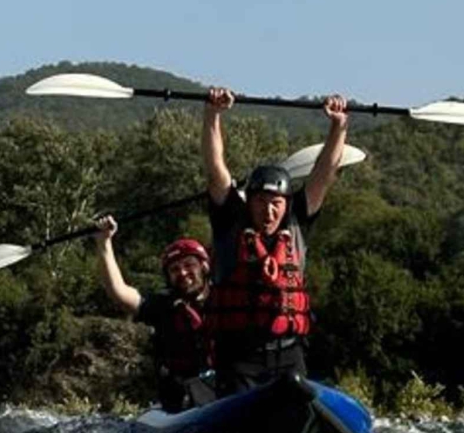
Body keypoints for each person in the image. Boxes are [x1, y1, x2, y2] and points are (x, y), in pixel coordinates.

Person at [201, 85, 348, 395]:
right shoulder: (231, 221)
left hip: (289, 353)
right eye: (261, 202)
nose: (268, 211)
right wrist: (213, 115)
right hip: (239, 356)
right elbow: (216, 170)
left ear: (286, 204)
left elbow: (324, 173)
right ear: (248, 200)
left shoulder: (297, 221)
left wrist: (338, 126)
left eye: (276, 203)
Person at [92, 215, 215, 413]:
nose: (182, 273)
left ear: (204, 266)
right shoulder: (163, 306)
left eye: (189, 265)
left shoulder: (228, 296)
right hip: (183, 398)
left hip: (225, 384)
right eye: (175, 269)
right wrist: (104, 242)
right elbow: (119, 292)